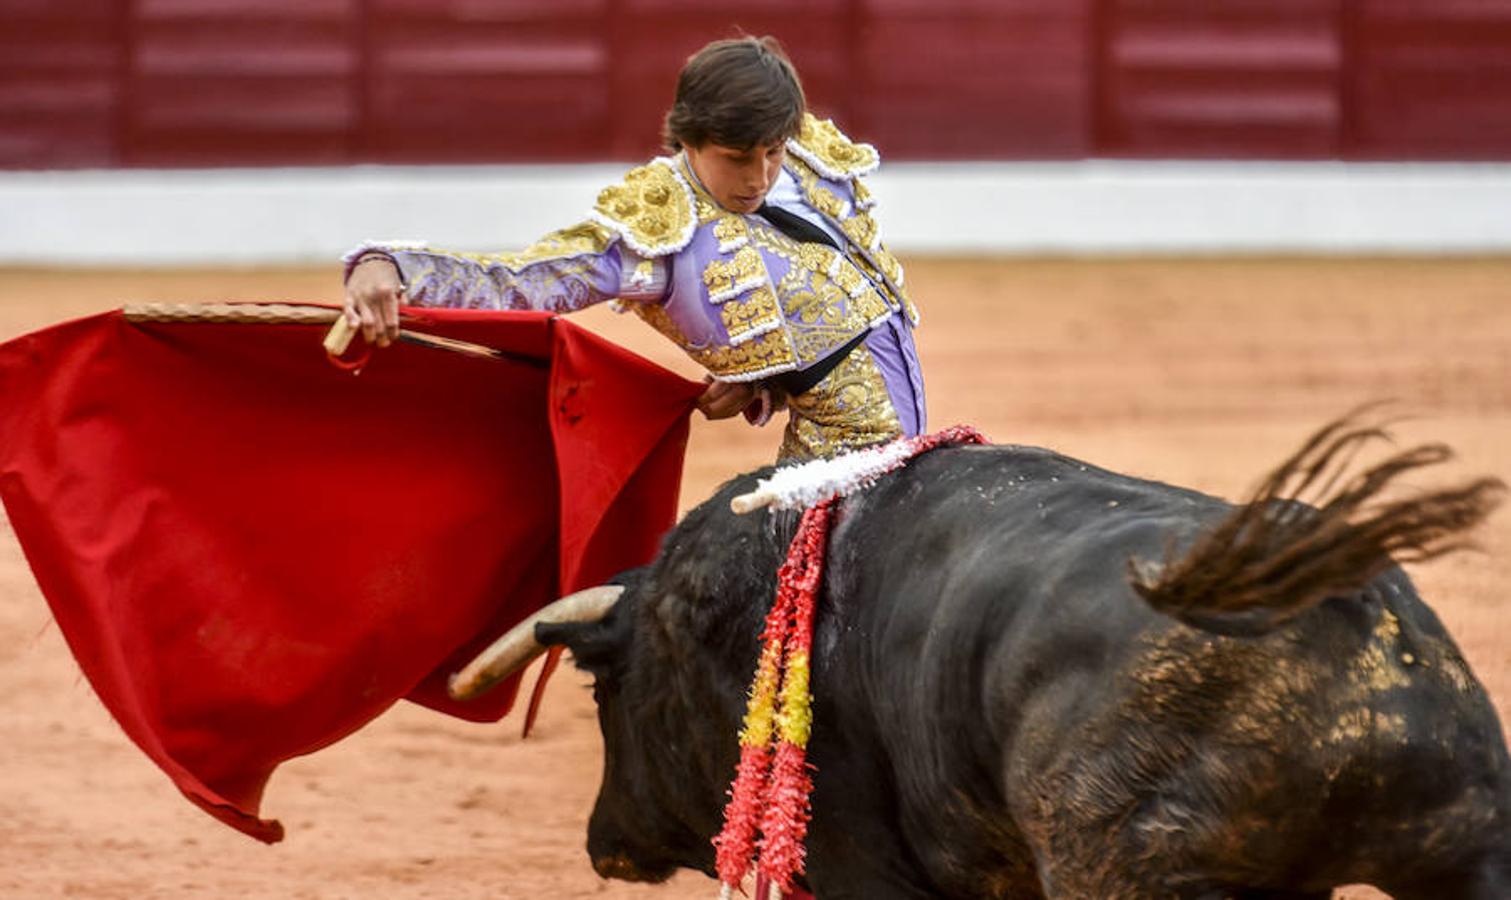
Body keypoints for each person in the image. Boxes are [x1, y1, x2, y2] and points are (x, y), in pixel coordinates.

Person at [342, 35, 925, 462]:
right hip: (830, 470)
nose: (759, 176)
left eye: (771, 152)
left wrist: (764, 379)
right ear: (690, 140)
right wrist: (390, 266)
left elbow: (848, 313)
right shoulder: (657, 235)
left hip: (915, 449)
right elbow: (525, 280)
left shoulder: (806, 163)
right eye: (737, 158)